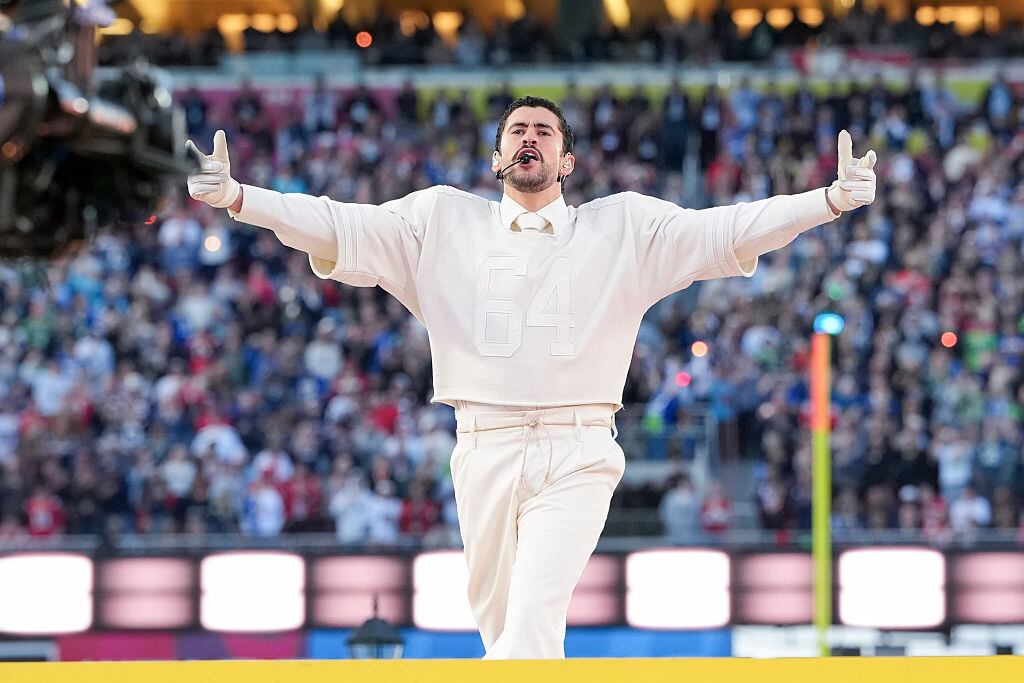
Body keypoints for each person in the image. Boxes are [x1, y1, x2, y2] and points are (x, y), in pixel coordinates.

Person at [186, 94, 877, 659]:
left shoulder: (624, 227)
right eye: (518, 128)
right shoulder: (438, 219)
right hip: (481, 445)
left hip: (578, 448)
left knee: (531, 625)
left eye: (545, 131)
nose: (530, 137)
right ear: (496, 156)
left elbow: (729, 229)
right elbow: (337, 223)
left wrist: (830, 200)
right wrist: (242, 197)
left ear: (566, 160)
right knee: (503, 632)